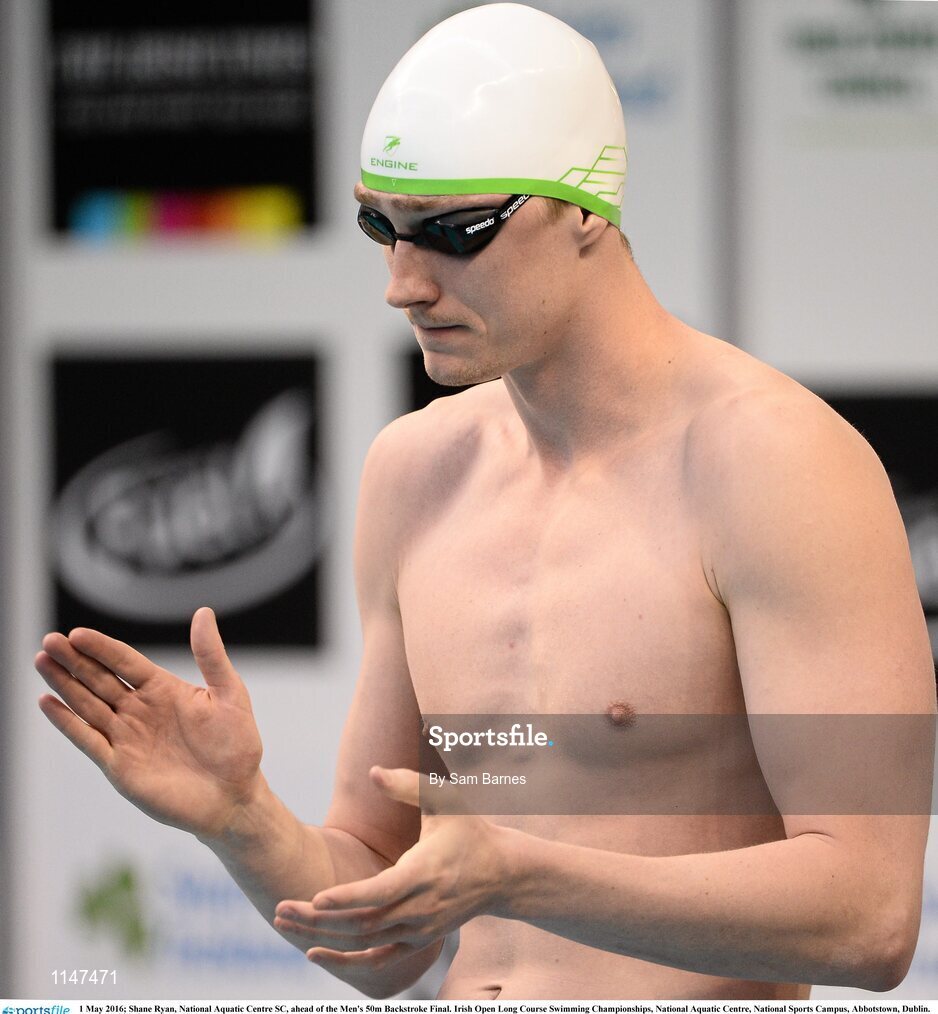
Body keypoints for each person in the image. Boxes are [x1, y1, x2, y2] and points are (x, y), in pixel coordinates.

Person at [35, 3, 936, 1001]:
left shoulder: (774, 464)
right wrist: (244, 819)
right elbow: (388, 940)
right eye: (380, 228)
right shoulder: (414, 472)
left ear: (585, 207)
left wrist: (519, 874)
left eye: (452, 232)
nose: (402, 284)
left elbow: (868, 917)